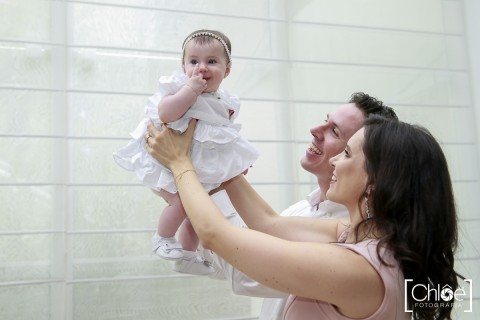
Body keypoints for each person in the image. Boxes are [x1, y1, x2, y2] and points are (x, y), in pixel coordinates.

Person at [144, 115, 461, 319]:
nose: (335, 161)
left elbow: (216, 235)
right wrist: (214, 148)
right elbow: (267, 222)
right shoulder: (358, 235)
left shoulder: (358, 269)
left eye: (347, 153)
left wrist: (179, 162)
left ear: (376, 181)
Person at [203, 92, 399, 319]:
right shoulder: (310, 211)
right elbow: (265, 223)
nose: (315, 130)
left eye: (335, 132)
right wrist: (214, 150)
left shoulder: (349, 250)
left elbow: (243, 272)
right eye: (325, 119)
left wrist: (184, 165)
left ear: (372, 174)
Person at [113, 29, 258, 275]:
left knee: (198, 209)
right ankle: (163, 238)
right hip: (164, 162)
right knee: (180, 203)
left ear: (227, 69)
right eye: (194, 61)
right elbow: (166, 114)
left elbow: (223, 133)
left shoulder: (224, 100)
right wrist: (189, 91)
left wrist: (232, 164)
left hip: (193, 165)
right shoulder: (179, 88)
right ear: (183, 66)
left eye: (211, 61)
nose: (201, 68)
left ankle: (188, 257)